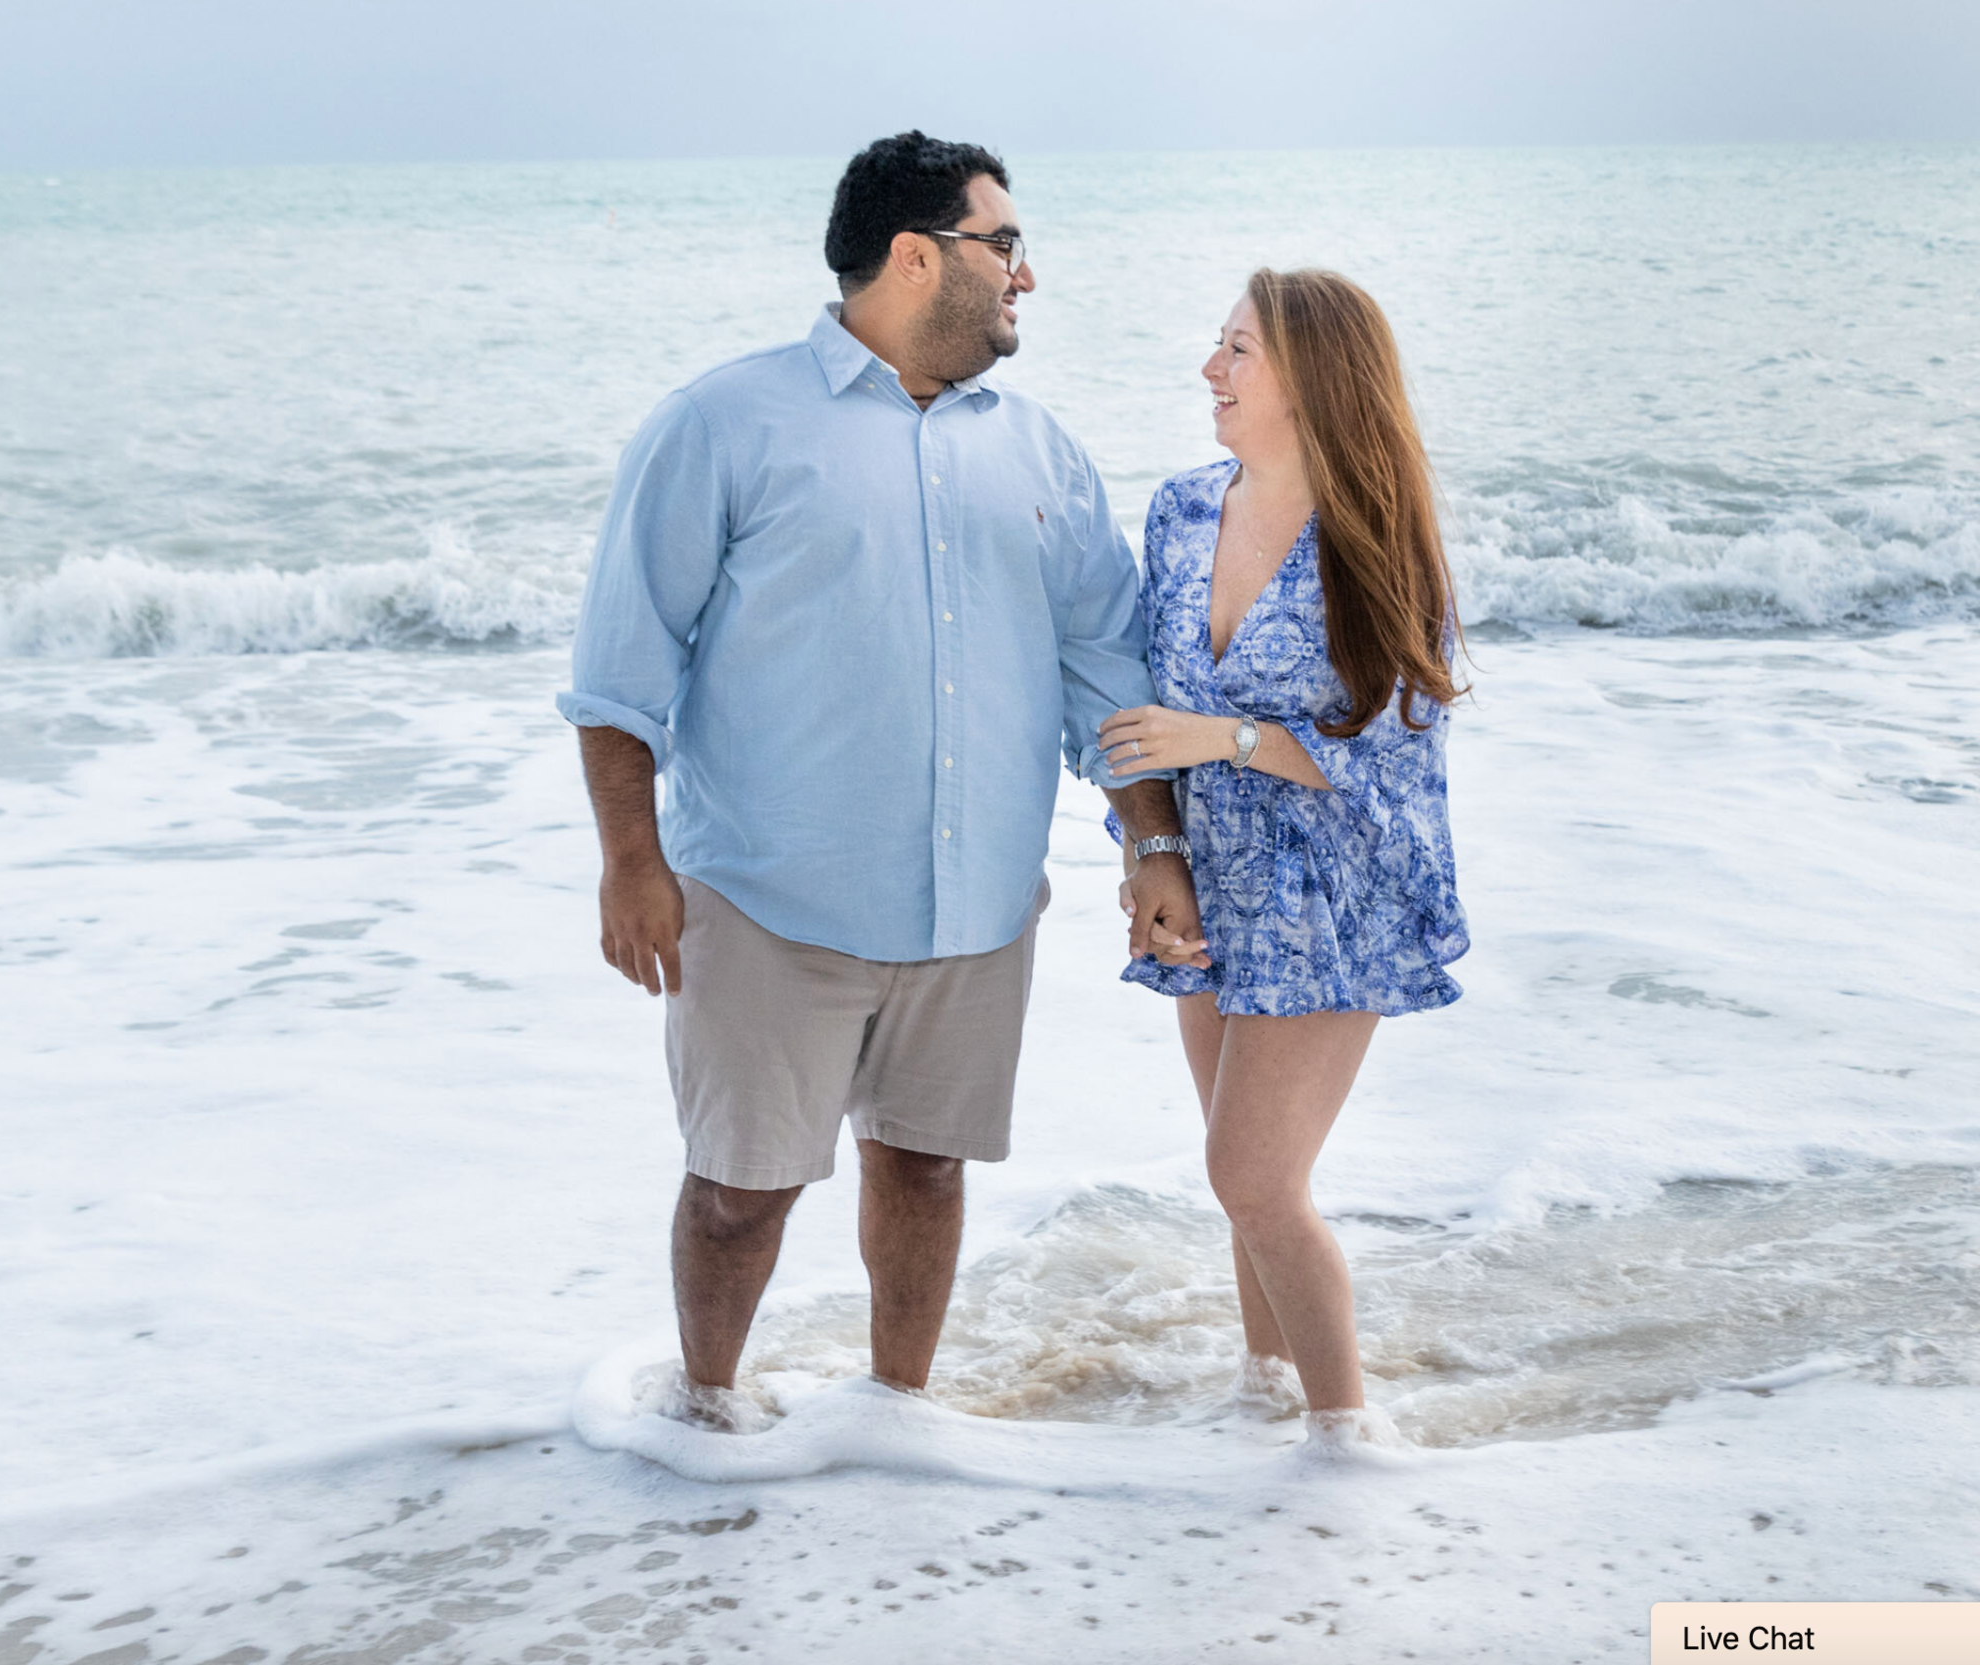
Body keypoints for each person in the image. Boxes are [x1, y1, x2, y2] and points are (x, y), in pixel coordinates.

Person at [558, 132, 1204, 1431]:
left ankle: (897, 1423)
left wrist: (1151, 847)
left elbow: (1102, 672)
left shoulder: (1042, 453)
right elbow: (620, 672)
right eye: (1004, 244)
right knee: (740, 1193)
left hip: (974, 908)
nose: (1026, 275)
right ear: (919, 256)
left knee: (926, 1172)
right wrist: (632, 862)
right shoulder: (724, 423)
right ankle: (705, 1421)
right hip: (763, 900)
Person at [1098, 268, 1469, 1448]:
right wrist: (1148, 845)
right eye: (1217, 343)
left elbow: (1402, 747)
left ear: (1309, 379)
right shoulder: (1180, 512)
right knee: (1236, 1181)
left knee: (1255, 1178)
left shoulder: (1376, 540)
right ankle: (1262, 1404)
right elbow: (1130, 704)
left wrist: (1233, 738)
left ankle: (1348, 1440)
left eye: (1238, 350)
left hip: (1330, 893)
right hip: (1208, 879)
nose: (1210, 367)